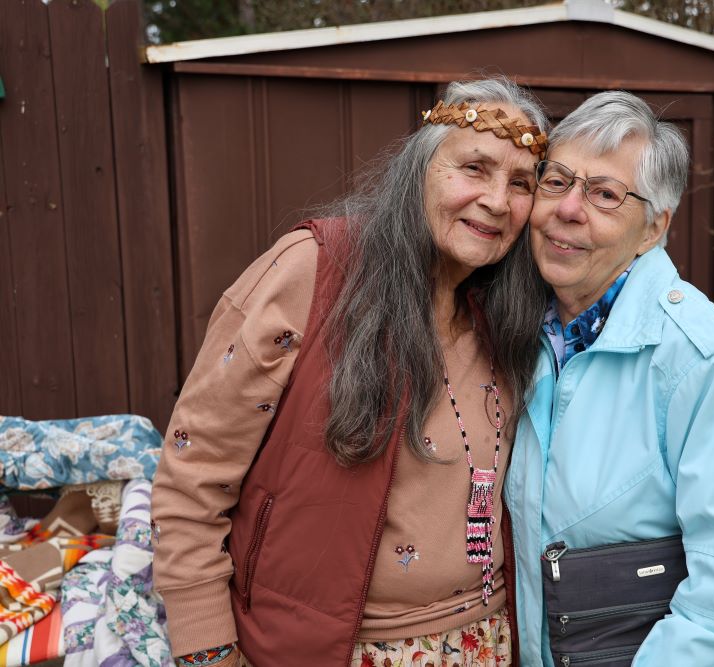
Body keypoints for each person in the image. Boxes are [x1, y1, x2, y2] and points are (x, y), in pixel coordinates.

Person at [151, 78, 550, 666]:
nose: (497, 199)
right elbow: (194, 477)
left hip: (485, 643)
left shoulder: (506, 314)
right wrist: (207, 650)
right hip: (334, 650)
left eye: (520, 184)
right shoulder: (312, 273)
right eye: (474, 168)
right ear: (419, 169)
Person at [505, 91, 714, 665]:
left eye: (605, 194)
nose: (569, 208)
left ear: (653, 228)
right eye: (557, 180)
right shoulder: (506, 328)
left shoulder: (705, 361)